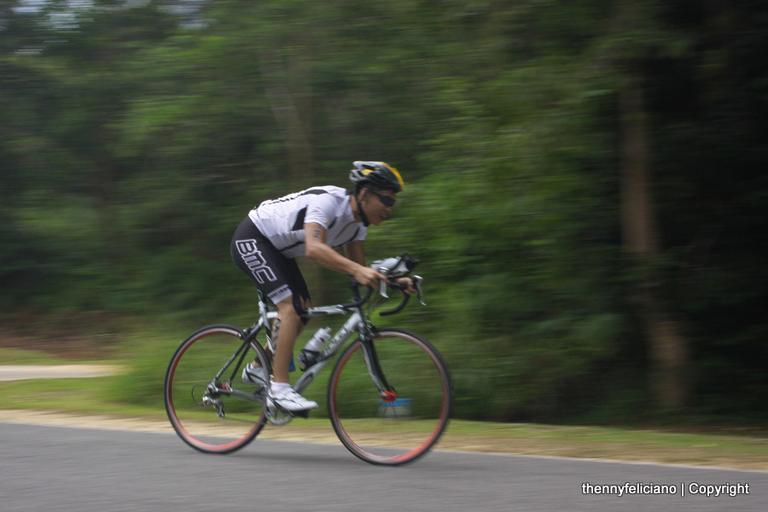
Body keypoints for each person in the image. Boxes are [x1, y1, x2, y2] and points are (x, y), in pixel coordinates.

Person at [230, 161, 415, 412]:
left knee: (303, 310)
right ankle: (279, 389)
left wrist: (394, 281)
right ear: (364, 194)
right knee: (289, 309)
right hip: (253, 237)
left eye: (393, 203)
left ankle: (257, 368)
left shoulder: (358, 226)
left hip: (278, 250)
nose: (389, 208)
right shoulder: (328, 203)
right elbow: (314, 249)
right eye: (386, 200)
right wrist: (358, 270)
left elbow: (359, 271)